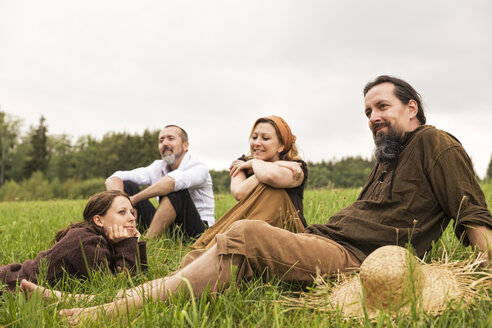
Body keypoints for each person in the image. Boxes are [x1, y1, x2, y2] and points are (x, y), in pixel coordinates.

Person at [23, 75, 492, 323]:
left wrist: (484, 277)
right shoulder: (389, 158)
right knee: (232, 259)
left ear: (412, 107)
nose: (373, 117)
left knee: (244, 234)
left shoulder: (434, 143)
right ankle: (105, 302)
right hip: (325, 241)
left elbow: (472, 210)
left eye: (382, 107)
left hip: (353, 258)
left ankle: (100, 313)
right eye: (368, 110)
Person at [188, 115, 307, 254]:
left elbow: (270, 176)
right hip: (248, 225)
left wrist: (254, 163)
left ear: (281, 146)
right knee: (267, 185)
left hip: (287, 232)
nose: (257, 143)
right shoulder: (241, 163)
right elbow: (239, 192)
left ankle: (230, 248)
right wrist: (274, 165)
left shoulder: (297, 166)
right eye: (254, 137)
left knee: (274, 190)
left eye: (265, 138)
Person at [1, 191, 146, 292]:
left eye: (131, 212)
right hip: (8, 285)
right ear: (99, 220)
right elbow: (117, 291)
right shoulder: (88, 243)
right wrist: (127, 246)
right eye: (122, 212)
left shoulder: (103, 239)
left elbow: (141, 278)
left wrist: (135, 245)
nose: (132, 218)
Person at [105, 124, 215, 239]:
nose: (165, 143)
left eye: (171, 138)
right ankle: (123, 234)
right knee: (127, 185)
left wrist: (133, 200)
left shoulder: (198, 167)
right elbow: (115, 177)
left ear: (185, 145)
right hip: (169, 226)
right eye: (161, 140)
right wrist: (122, 204)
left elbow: (171, 183)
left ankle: (148, 241)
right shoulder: (158, 166)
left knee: (177, 191)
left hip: (199, 230)